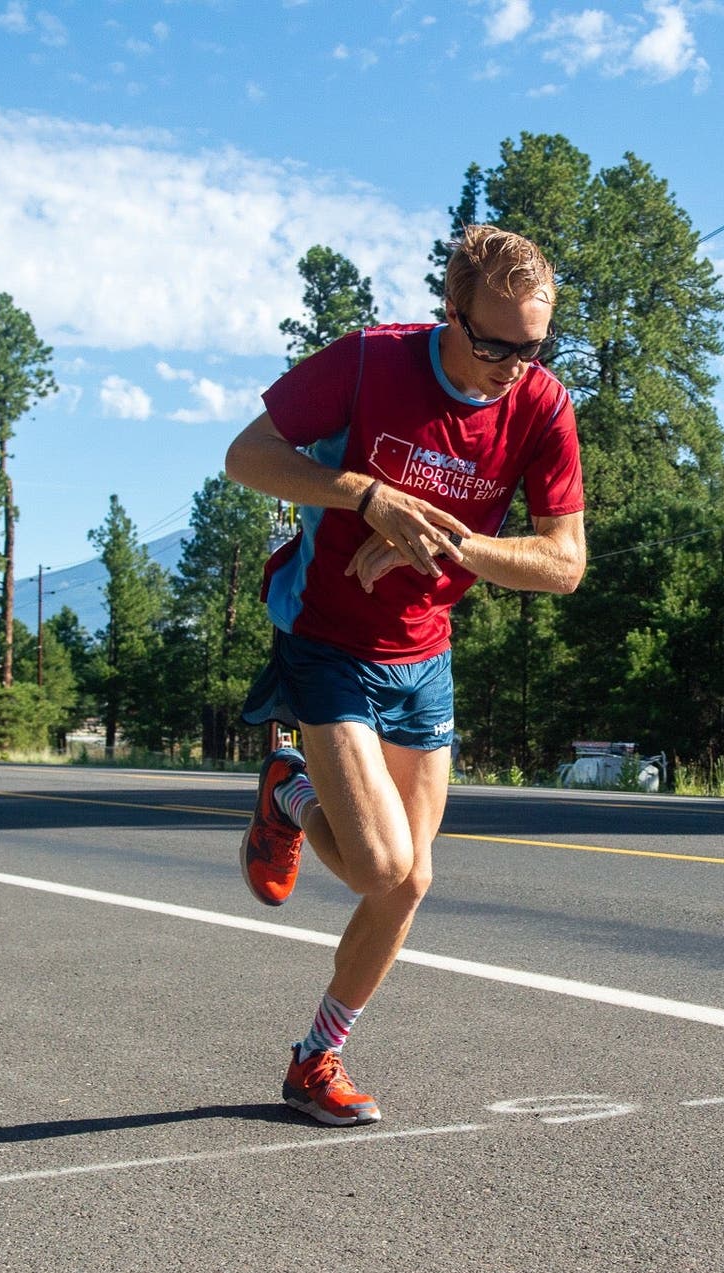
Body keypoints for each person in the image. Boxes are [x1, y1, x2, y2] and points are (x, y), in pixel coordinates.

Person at [223, 225, 585, 1125]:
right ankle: (294, 790)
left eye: (533, 348)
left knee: (410, 883)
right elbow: (246, 457)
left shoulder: (542, 405)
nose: (513, 368)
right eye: (495, 345)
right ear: (452, 312)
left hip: (425, 654)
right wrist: (367, 494)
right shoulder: (370, 362)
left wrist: (450, 542)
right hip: (327, 635)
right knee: (381, 863)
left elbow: (564, 562)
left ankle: (316, 1057)